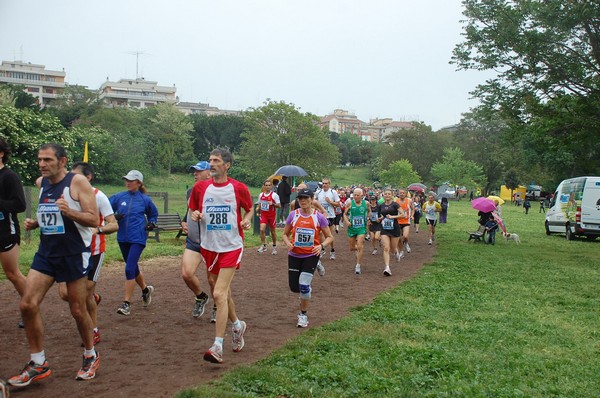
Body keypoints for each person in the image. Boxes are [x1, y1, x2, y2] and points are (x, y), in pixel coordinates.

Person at [9, 143, 100, 387]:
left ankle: (90, 355)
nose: (42, 164)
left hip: (73, 253)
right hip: (47, 253)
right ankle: (38, 362)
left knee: (77, 310)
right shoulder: (43, 183)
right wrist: (36, 223)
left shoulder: (77, 182)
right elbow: (51, 212)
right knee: (27, 304)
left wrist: (70, 212)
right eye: (40, 159)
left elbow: (93, 219)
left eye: (47, 159)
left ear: (62, 161)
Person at [189, 148, 253, 364]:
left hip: (231, 245)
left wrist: (246, 220)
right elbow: (193, 210)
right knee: (221, 290)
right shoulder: (200, 188)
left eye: (216, 160)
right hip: (209, 246)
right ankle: (237, 325)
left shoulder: (238, 188)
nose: (212, 163)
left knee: (218, 293)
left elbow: (250, 209)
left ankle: (217, 345)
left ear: (227, 165)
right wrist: (195, 214)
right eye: (210, 160)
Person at [57, 162, 118, 346]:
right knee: (64, 294)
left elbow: (113, 224)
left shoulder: (99, 196)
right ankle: (93, 299)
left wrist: (97, 230)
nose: (71, 180)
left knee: (86, 292)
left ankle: (93, 330)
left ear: (88, 178)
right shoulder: (64, 195)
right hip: (69, 251)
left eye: (75, 176)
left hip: (94, 251)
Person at [281, 188, 333, 328]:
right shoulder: (293, 215)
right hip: (294, 255)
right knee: (294, 288)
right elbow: (285, 234)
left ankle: (303, 315)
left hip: (311, 255)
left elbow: (329, 237)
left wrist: (321, 246)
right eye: (300, 198)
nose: (303, 201)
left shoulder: (318, 217)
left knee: (304, 286)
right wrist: (287, 243)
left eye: (306, 198)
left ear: (312, 200)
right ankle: (317, 266)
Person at [110, 170, 159, 316]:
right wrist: (113, 217)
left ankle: (126, 303)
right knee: (132, 268)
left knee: (129, 269)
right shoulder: (119, 197)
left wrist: (151, 223)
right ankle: (145, 290)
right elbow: (105, 208)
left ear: (138, 183)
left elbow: (153, 214)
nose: (127, 182)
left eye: (131, 180)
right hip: (122, 238)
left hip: (138, 238)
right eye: (126, 180)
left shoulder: (145, 199)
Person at [180, 161, 213, 319]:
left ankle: (218, 306)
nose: (195, 174)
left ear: (209, 173)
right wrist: (184, 221)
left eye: (198, 171)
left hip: (212, 242)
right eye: (194, 171)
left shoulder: (216, 190)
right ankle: (201, 297)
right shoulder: (190, 191)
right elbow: (189, 209)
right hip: (194, 240)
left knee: (212, 280)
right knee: (187, 274)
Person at [0, 139, 27, 327]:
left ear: (2, 153)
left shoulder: (9, 176)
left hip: (5, 230)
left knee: (12, 273)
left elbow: (20, 205)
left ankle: (30, 306)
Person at [378, 188, 404, 276]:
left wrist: (392, 217)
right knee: (386, 248)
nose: (387, 195)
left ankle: (396, 252)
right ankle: (387, 268)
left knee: (392, 249)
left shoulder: (395, 205)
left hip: (394, 229)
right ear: (383, 195)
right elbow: (382, 215)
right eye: (386, 194)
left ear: (392, 195)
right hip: (384, 228)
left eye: (389, 194)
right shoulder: (381, 205)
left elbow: (402, 214)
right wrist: (380, 218)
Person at [343, 188, 369, 275]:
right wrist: (347, 221)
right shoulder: (350, 203)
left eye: (358, 195)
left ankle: (358, 266)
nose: (356, 197)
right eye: (354, 195)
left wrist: (368, 219)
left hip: (361, 228)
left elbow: (370, 212)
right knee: (351, 248)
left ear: (362, 196)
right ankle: (358, 250)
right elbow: (344, 214)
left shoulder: (366, 203)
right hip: (352, 228)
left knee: (360, 245)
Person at [315, 178, 340, 259]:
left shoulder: (333, 192)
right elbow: (314, 203)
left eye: (326, 183)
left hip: (330, 216)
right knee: (320, 233)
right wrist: (318, 208)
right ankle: (322, 249)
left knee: (329, 235)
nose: (324, 185)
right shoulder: (318, 192)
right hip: (320, 216)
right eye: (323, 183)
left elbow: (338, 204)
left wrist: (330, 202)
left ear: (329, 184)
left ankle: (332, 250)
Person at [256, 179, 281, 255]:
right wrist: (258, 208)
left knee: (273, 232)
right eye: (266, 185)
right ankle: (263, 245)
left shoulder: (274, 195)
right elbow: (260, 204)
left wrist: (272, 204)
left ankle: (274, 247)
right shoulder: (261, 195)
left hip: (272, 216)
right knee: (262, 229)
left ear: (271, 186)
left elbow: (279, 205)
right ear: (264, 186)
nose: (268, 187)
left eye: (269, 185)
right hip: (264, 215)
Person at [395, 189, 413, 258]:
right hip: (398, 221)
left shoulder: (409, 201)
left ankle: (406, 243)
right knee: (399, 238)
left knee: (405, 236)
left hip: (406, 221)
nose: (402, 194)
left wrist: (412, 215)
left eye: (403, 193)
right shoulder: (396, 201)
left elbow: (413, 208)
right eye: (400, 193)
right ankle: (401, 251)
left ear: (406, 194)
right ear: (398, 194)